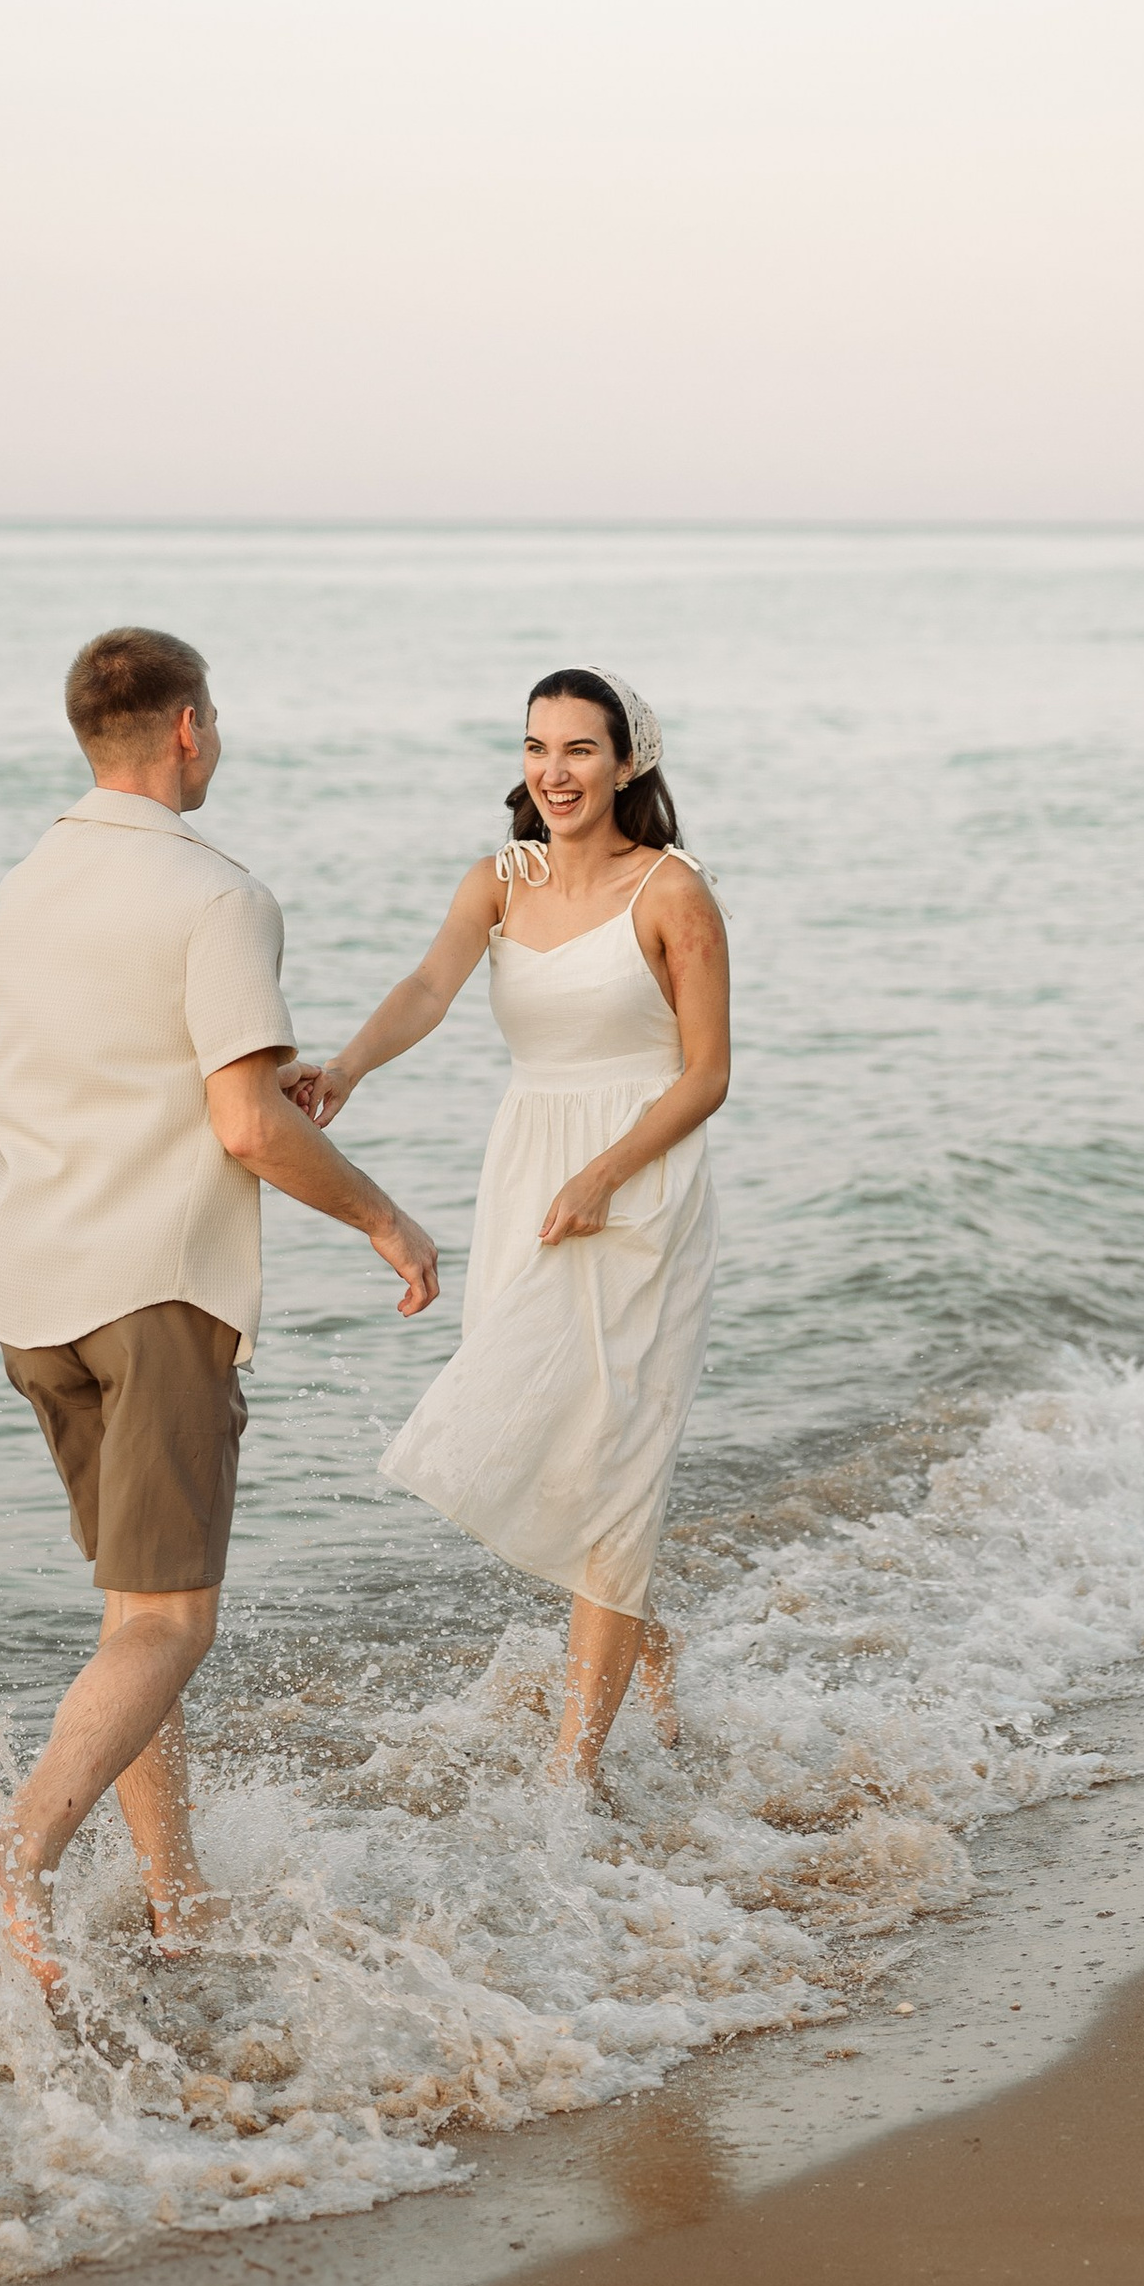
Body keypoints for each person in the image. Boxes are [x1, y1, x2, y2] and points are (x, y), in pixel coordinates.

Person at [0, 626, 439, 1999]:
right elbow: (247, 1127)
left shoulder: (27, 878)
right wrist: (388, 1220)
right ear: (184, 731)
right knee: (174, 1623)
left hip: (27, 1274)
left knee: (131, 1613)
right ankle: (19, 1858)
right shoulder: (217, 895)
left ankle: (177, 1903)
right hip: (150, 1285)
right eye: (210, 716)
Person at [292, 669, 727, 1788]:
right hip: (526, 1170)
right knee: (542, 1433)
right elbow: (429, 987)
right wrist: (343, 1068)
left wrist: (605, 1173)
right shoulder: (498, 880)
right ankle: (635, 1624)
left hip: (639, 1181)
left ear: (629, 761)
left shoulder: (673, 893)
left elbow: (707, 1075)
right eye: (537, 746)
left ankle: (570, 1777)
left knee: (618, 1448)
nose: (555, 770)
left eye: (580, 749)